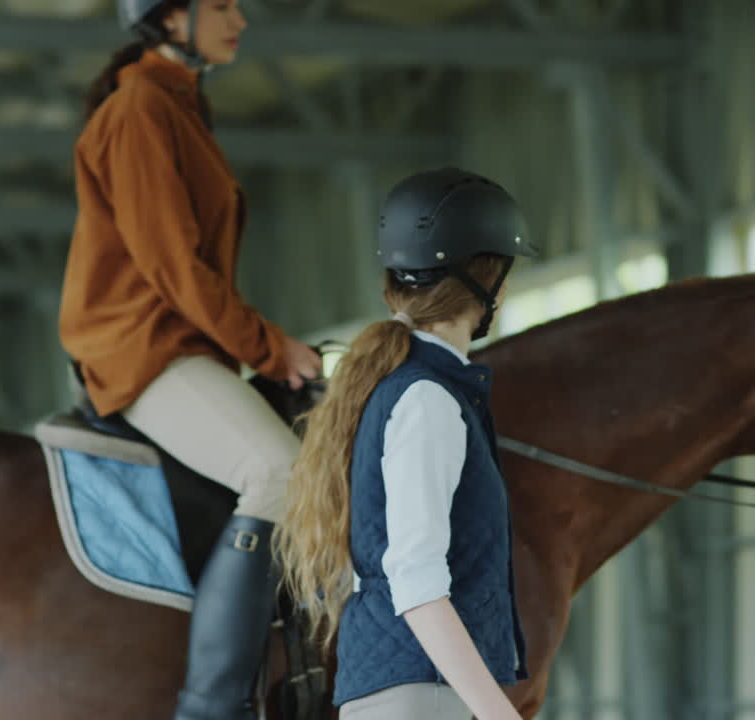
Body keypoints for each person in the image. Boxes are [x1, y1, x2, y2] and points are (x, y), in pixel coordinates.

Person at [57, 1, 322, 718]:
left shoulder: (179, 102)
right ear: (171, 16)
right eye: (222, 4)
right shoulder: (141, 108)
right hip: (144, 349)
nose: (240, 16)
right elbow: (174, 267)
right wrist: (269, 348)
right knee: (279, 473)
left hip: (182, 346)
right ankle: (212, 705)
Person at [276, 168, 536, 719]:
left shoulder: (399, 386)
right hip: (422, 696)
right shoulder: (427, 399)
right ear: (485, 280)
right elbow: (416, 583)